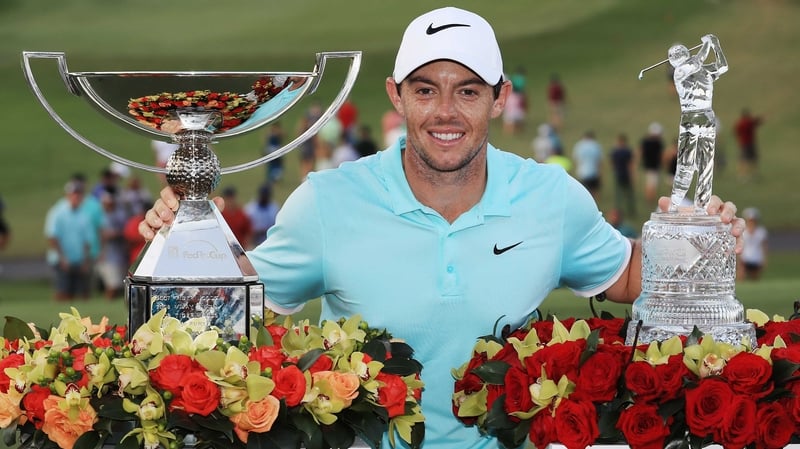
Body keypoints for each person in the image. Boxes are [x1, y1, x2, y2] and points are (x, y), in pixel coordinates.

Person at [140, 8, 744, 449]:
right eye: (425, 90)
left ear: (501, 98)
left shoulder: (551, 197)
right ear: (396, 97)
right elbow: (234, 304)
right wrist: (183, 238)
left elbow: (630, 276)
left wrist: (699, 240)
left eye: (468, 91)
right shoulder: (328, 201)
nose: (446, 112)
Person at [668, 34, 728, 210]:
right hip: (691, 119)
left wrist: (716, 44)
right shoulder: (680, 72)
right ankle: (675, 203)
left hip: (706, 119)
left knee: (705, 166)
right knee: (686, 164)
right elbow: (696, 62)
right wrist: (708, 44)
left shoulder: (702, 71)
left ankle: (701, 207)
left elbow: (723, 66)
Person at [45, 181, 95, 301]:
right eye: (74, 194)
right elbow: (52, 237)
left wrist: (86, 260)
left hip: (79, 260)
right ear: (68, 195)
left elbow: (87, 240)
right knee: (63, 292)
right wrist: (62, 258)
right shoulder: (57, 212)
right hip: (61, 260)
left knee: (81, 294)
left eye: (79, 194)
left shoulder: (84, 214)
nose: (76, 197)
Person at [244, 183, 280, 248]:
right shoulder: (250, 209)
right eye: (263, 195)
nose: (265, 197)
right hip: (253, 242)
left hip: (270, 242)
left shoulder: (274, 208)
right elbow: (245, 229)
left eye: (266, 195)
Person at [738, 207, 768, 281]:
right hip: (745, 257)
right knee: (741, 276)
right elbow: (739, 245)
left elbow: (764, 246)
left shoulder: (761, 232)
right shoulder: (743, 231)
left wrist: (764, 259)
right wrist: (738, 258)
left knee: (754, 278)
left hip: (757, 257)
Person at [572, 130, 603, 200]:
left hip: (582, 173)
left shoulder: (579, 145)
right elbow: (599, 161)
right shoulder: (596, 145)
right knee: (594, 192)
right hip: (594, 172)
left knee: (584, 193)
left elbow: (576, 159)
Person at [733, 108, 763, 182]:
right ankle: (750, 174)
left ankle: (743, 175)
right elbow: (756, 122)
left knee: (743, 160)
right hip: (749, 144)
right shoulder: (748, 122)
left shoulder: (740, 123)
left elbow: (736, 131)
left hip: (743, 144)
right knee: (751, 159)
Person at [609, 133, 636, 215]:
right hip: (625, 174)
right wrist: (632, 175)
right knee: (627, 194)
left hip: (619, 174)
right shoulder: (627, 151)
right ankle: (630, 210)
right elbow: (630, 164)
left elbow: (612, 163)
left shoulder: (615, 151)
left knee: (620, 194)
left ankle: (619, 211)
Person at [640, 121, 665, 204]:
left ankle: (649, 198)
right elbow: (661, 155)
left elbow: (641, 152)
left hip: (648, 165)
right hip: (654, 166)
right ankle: (651, 200)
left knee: (649, 183)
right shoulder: (658, 143)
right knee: (652, 184)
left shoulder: (645, 142)